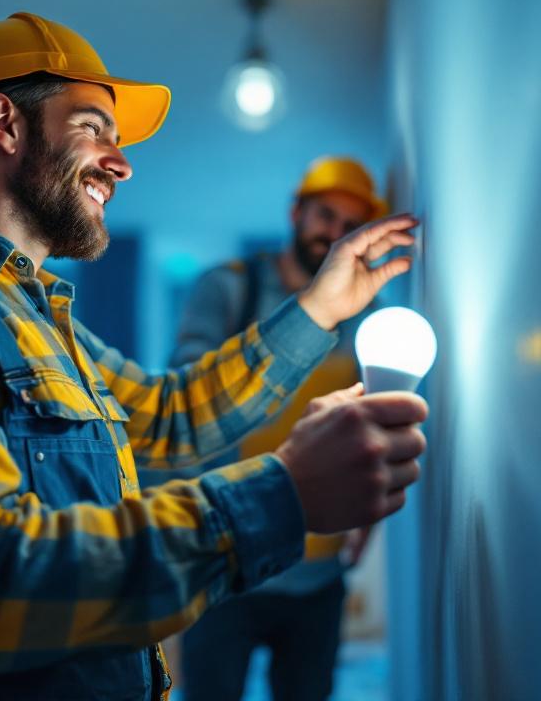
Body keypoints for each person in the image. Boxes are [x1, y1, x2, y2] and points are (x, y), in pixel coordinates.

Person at [0, 12, 424, 701]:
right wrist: (283, 494)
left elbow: (172, 421)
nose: (121, 163)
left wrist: (321, 307)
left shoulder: (43, 323)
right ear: (6, 123)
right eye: (93, 128)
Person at [169, 156, 389, 701]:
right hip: (226, 570)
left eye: (349, 226)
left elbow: (372, 419)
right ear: (296, 213)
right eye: (324, 216)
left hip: (316, 575)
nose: (334, 235)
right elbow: (186, 401)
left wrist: (371, 502)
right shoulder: (228, 290)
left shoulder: (368, 315)